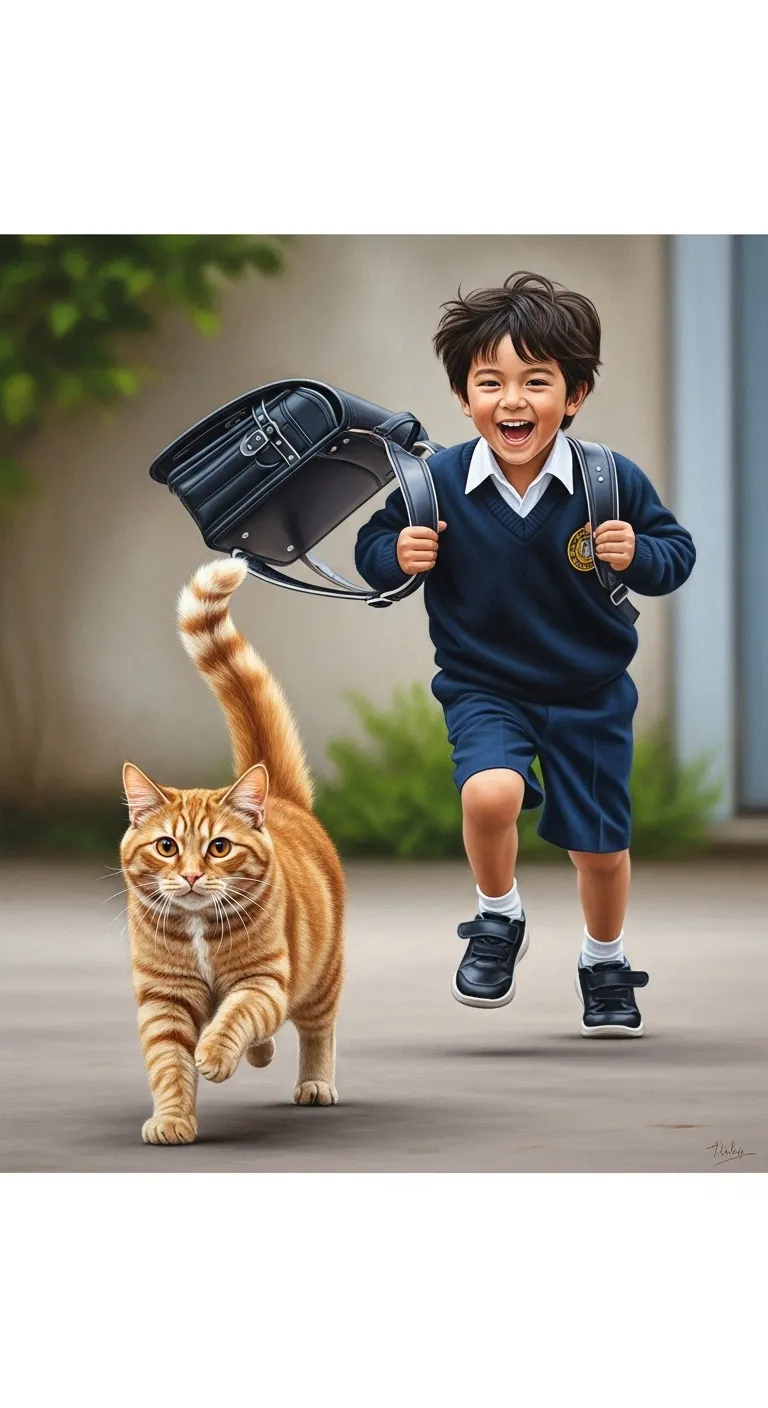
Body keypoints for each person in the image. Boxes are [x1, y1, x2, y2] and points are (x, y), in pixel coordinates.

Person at [354, 271, 696, 1037]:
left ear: (573, 396)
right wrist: (396, 553)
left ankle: (604, 959)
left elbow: (677, 554)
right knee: (488, 796)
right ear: (463, 395)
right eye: (491, 382)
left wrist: (638, 551)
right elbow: (374, 544)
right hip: (484, 684)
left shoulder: (608, 480)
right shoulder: (433, 483)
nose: (513, 401)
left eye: (537, 382)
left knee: (600, 852)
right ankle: (497, 915)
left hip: (591, 690)